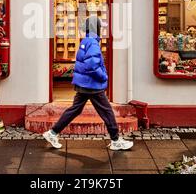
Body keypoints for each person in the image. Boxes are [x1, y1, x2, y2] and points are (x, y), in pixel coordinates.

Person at [43, 16, 133, 151]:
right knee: (107, 111)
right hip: (92, 85)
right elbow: (92, 65)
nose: (102, 30)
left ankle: (52, 133)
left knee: (75, 109)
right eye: (100, 27)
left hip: (83, 83)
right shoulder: (93, 42)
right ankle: (115, 140)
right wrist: (104, 77)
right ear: (96, 28)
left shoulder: (86, 40)